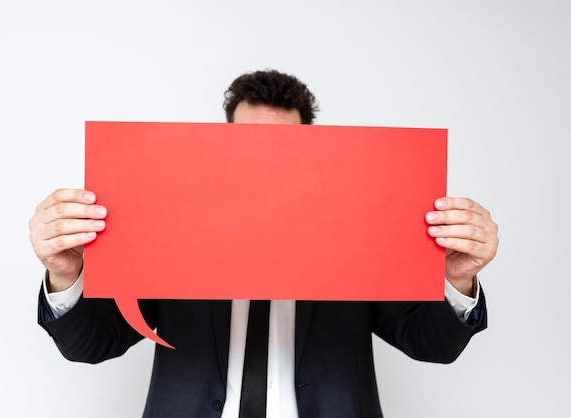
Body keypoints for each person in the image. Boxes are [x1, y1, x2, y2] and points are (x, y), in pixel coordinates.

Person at [30, 69, 498, 418]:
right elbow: (91, 345)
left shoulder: (356, 236)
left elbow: (431, 345)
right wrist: (65, 274)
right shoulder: (173, 232)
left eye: (281, 150)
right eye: (248, 145)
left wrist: (458, 278)